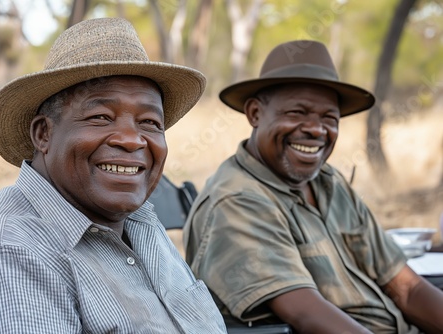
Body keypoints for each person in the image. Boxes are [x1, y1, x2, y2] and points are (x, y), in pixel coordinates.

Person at [0, 17, 227, 333]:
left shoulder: (137, 219)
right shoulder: (10, 250)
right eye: (101, 117)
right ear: (43, 134)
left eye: (149, 123)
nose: (132, 139)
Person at [183, 40, 443, 333]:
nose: (316, 130)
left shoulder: (327, 181)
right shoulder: (238, 200)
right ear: (255, 113)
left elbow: (407, 288)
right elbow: (306, 315)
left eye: (329, 118)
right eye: (296, 113)